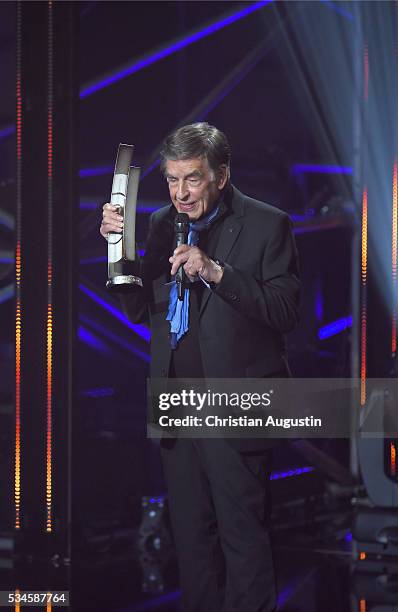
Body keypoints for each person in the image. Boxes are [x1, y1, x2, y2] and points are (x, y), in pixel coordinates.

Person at [100, 122, 300, 612]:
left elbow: (285, 311)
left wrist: (215, 272)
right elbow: (142, 306)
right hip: (178, 400)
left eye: (191, 179)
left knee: (243, 538)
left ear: (221, 174)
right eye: (171, 180)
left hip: (235, 404)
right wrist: (117, 251)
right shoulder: (160, 223)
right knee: (191, 543)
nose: (180, 193)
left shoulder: (267, 224)